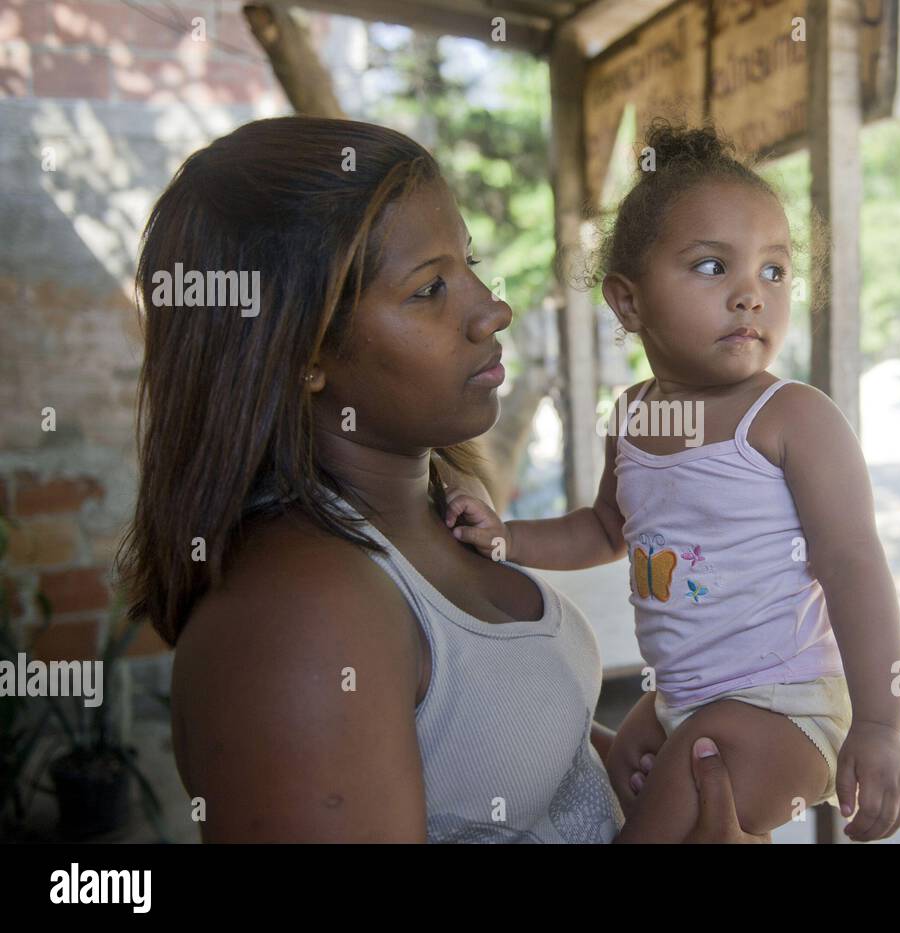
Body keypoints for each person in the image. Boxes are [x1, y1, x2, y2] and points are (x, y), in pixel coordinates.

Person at [117, 115, 761, 843]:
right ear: (302, 353)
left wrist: (676, 782)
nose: (492, 308)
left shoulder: (442, 513)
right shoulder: (297, 621)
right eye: (429, 289)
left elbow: (528, 771)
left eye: (469, 263)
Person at [443, 120, 900, 842]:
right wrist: (506, 538)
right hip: (682, 698)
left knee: (679, 785)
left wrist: (881, 723)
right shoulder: (631, 416)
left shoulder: (791, 418)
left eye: (774, 270)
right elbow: (605, 528)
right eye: (710, 267)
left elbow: (853, 563)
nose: (751, 295)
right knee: (627, 761)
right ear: (628, 302)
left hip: (789, 707)